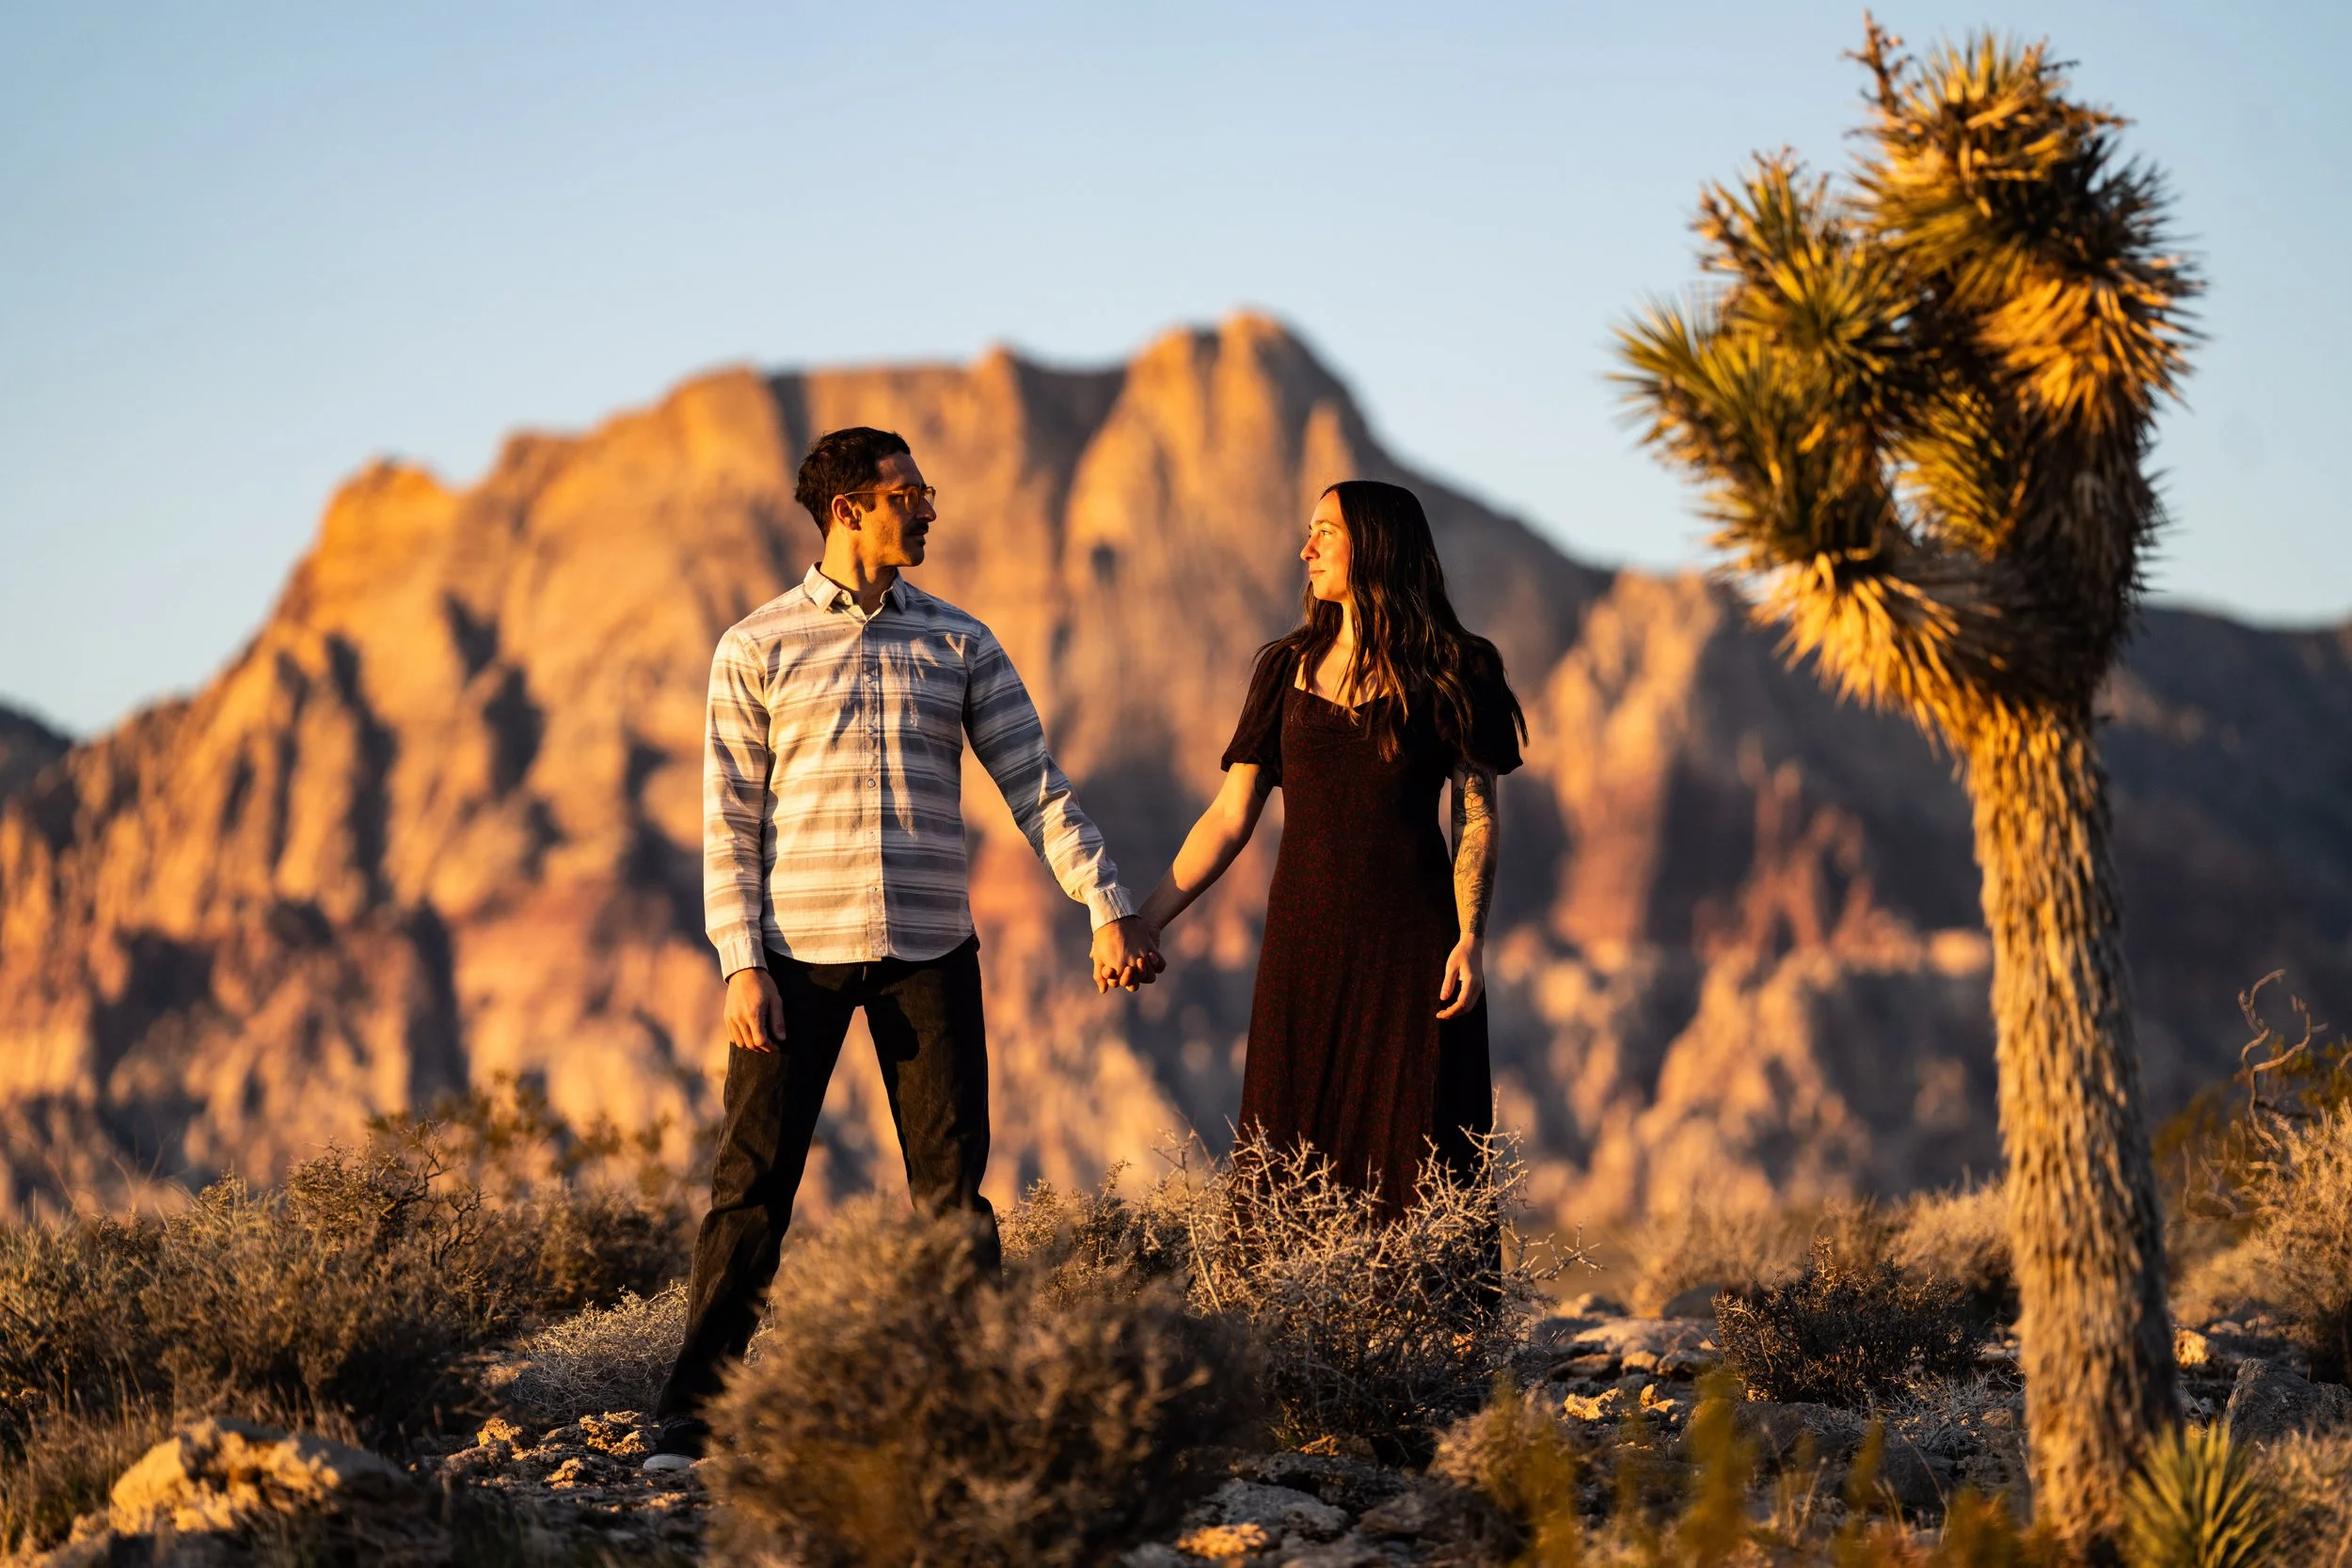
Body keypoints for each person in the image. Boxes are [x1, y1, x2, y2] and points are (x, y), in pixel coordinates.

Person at [643, 426, 1164, 1472]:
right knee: (752, 1187)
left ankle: (969, 1405)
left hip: (931, 952)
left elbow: (1035, 785)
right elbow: (727, 819)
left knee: (951, 1195)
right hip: (794, 958)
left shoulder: (959, 642)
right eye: (910, 491)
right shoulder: (757, 646)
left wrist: (1103, 901)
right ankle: (690, 1413)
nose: (928, 508)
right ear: (850, 508)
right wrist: (740, 961)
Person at [1136, 479, 1523, 1213]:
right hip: (1302, 950)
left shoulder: (1459, 669)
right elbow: (1229, 815)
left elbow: (1475, 815)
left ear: (1376, 545)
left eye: (1326, 532)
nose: (1305, 547)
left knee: (1422, 1148)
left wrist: (1471, 937)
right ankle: (1288, 1325)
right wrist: (1149, 919)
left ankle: (1436, 1326)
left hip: (1415, 951)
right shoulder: (1283, 668)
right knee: (1290, 1150)